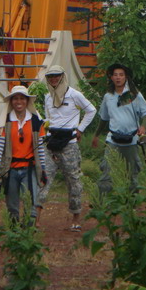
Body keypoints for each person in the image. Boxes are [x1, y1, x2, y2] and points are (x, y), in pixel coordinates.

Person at [36, 65, 96, 231]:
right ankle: (36, 218)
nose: (54, 79)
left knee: (73, 181)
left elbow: (91, 110)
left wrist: (80, 129)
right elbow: (49, 118)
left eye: (56, 76)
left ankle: (76, 218)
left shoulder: (75, 95)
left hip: (69, 144)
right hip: (51, 142)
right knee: (43, 178)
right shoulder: (48, 97)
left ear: (62, 76)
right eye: (50, 77)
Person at [0, 85, 48, 224]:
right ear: (11, 102)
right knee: (12, 203)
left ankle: (29, 230)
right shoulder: (6, 122)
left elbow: (40, 150)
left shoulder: (36, 122)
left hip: (30, 168)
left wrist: (43, 169)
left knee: (31, 200)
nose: (18, 102)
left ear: (27, 101)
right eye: (15, 99)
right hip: (11, 169)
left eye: (22, 98)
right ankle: (14, 229)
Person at [91, 63, 146, 195]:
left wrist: (143, 126)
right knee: (107, 169)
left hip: (131, 139)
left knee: (132, 172)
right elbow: (104, 118)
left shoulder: (134, 95)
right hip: (113, 139)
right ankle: (102, 201)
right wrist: (96, 135)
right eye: (115, 75)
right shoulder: (108, 96)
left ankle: (133, 202)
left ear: (126, 77)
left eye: (121, 75)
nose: (118, 78)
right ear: (111, 77)